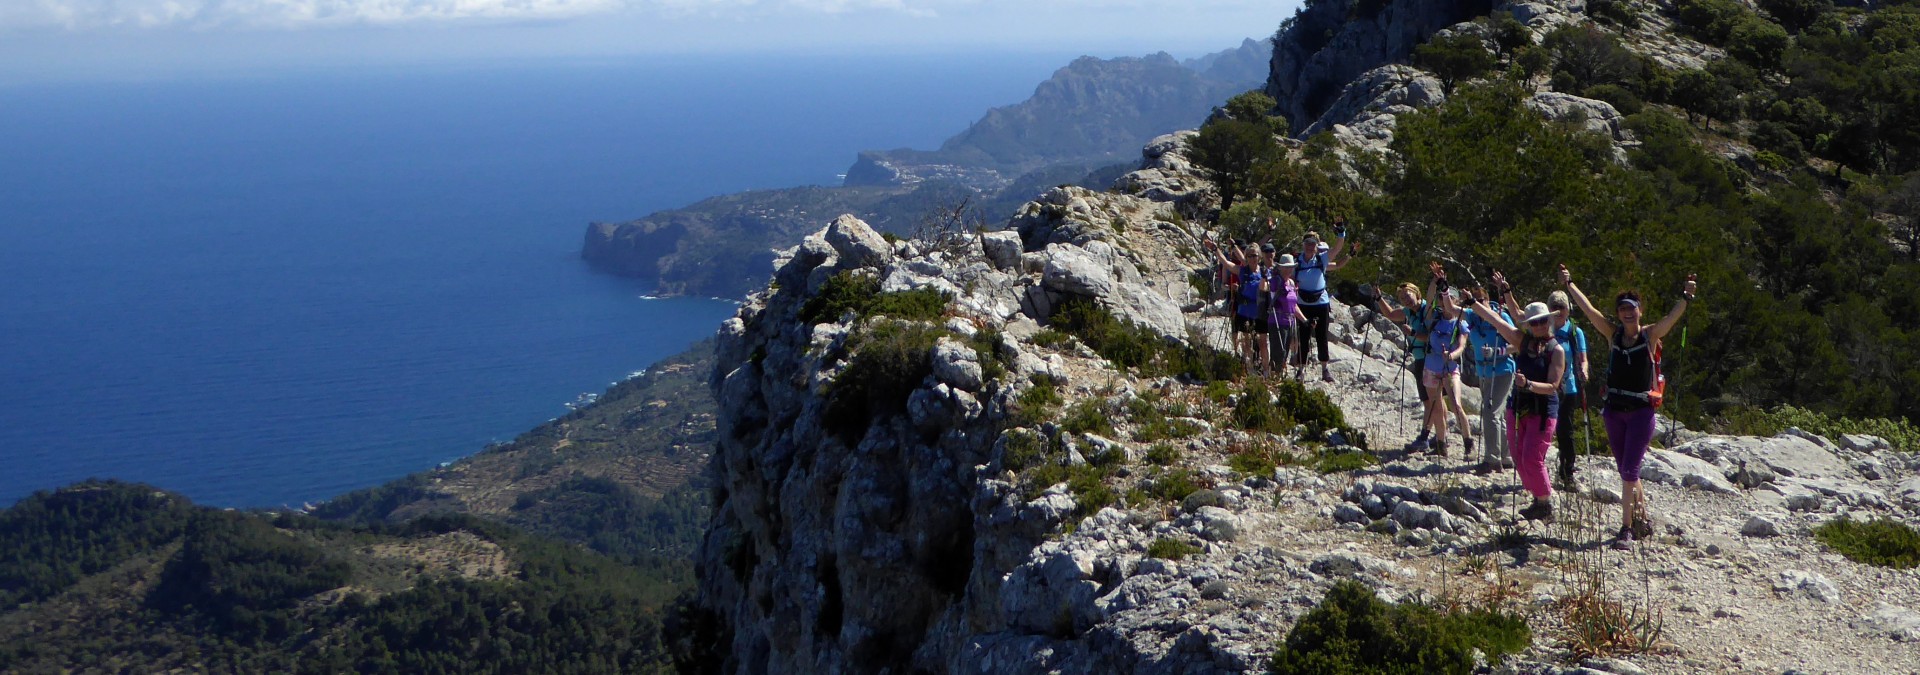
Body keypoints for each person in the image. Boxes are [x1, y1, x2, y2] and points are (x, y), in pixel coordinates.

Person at [1560, 265, 1697, 550]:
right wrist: (1570, 285)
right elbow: (1590, 312)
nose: (1626, 313)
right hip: (1613, 411)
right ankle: (1642, 518)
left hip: (1640, 413)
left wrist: (1686, 297)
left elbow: (1671, 319)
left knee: (1629, 472)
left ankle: (1625, 528)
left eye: (1631, 308)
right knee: (1626, 469)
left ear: (1639, 311)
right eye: (1622, 309)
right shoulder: (1613, 336)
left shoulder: (1650, 337)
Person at [1467, 298, 1566, 522]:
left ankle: (1545, 502)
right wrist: (1473, 304)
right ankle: (1536, 497)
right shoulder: (1522, 341)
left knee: (1532, 457)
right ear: (1528, 325)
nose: (1539, 326)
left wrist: (1528, 384)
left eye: (1542, 321)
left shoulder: (1556, 350)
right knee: (1518, 456)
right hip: (1519, 406)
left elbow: (1553, 386)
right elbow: (1496, 320)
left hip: (1542, 410)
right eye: (1534, 323)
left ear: (1548, 321)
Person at [1376, 279, 1439, 451]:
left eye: (1407, 295)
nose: (1406, 300)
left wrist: (1413, 333)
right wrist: (1379, 298)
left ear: (1416, 292)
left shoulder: (1427, 310)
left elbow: (1429, 336)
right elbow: (1389, 314)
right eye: (1403, 298)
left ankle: (1426, 437)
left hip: (1430, 359)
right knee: (1432, 401)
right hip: (1420, 358)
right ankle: (1440, 437)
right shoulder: (1408, 312)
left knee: (1430, 401)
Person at [1464, 283, 1518, 475]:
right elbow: (1452, 310)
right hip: (1484, 372)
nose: (1479, 304)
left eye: (1482, 300)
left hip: (1502, 370)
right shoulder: (1472, 317)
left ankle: (1492, 459)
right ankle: (1507, 456)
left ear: (1488, 300)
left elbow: (1518, 344)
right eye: (1475, 301)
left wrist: (1498, 351)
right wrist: (1443, 289)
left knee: (1490, 412)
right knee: (1498, 415)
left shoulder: (1501, 317)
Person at [1422, 285, 1474, 458]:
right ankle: (1440, 444)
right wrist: (1435, 281)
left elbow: (1462, 346)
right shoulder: (1434, 318)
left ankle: (1469, 444)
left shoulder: (1461, 323)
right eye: (1443, 298)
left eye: (1450, 298)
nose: (1444, 302)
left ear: (1456, 301)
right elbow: (1428, 301)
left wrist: (1451, 356)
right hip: (1431, 367)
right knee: (1436, 406)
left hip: (1450, 369)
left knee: (1457, 405)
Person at [1294, 222, 1350, 382]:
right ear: (1303, 244)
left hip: (1320, 303)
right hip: (1302, 303)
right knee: (1302, 337)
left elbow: (1337, 249)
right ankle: (1301, 370)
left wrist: (1341, 234)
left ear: (1317, 246)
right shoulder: (1297, 262)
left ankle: (1325, 369)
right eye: (1307, 244)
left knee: (1321, 336)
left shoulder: (1321, 259)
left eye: (1313, 244)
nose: (1310, 247)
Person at [1548, 291, 1590, 486]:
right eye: (1553, 307)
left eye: (1561, 307)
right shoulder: (1543, 327)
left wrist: (1584, 371)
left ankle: (1567, 472)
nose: (1557, 311)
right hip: (1547, 386)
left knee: (1565, 430)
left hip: (1568, 387)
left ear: (1568, 309)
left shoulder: (1575, 332)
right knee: (1545, 428)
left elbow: (1583, 358)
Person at [1266, 250, 1305, 380]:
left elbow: (1294, 306)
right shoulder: (1275, 282)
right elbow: (1270, 299)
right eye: (1286, 268)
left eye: (1291, 268)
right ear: (1280, 268)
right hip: (1277, 320)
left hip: (1289, 322)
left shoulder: (1292, 283)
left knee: (1285, 351)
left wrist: (1304, 320)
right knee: (1278, 351)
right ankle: (1274, 376)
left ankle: (1278, 375)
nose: (1289, 270)